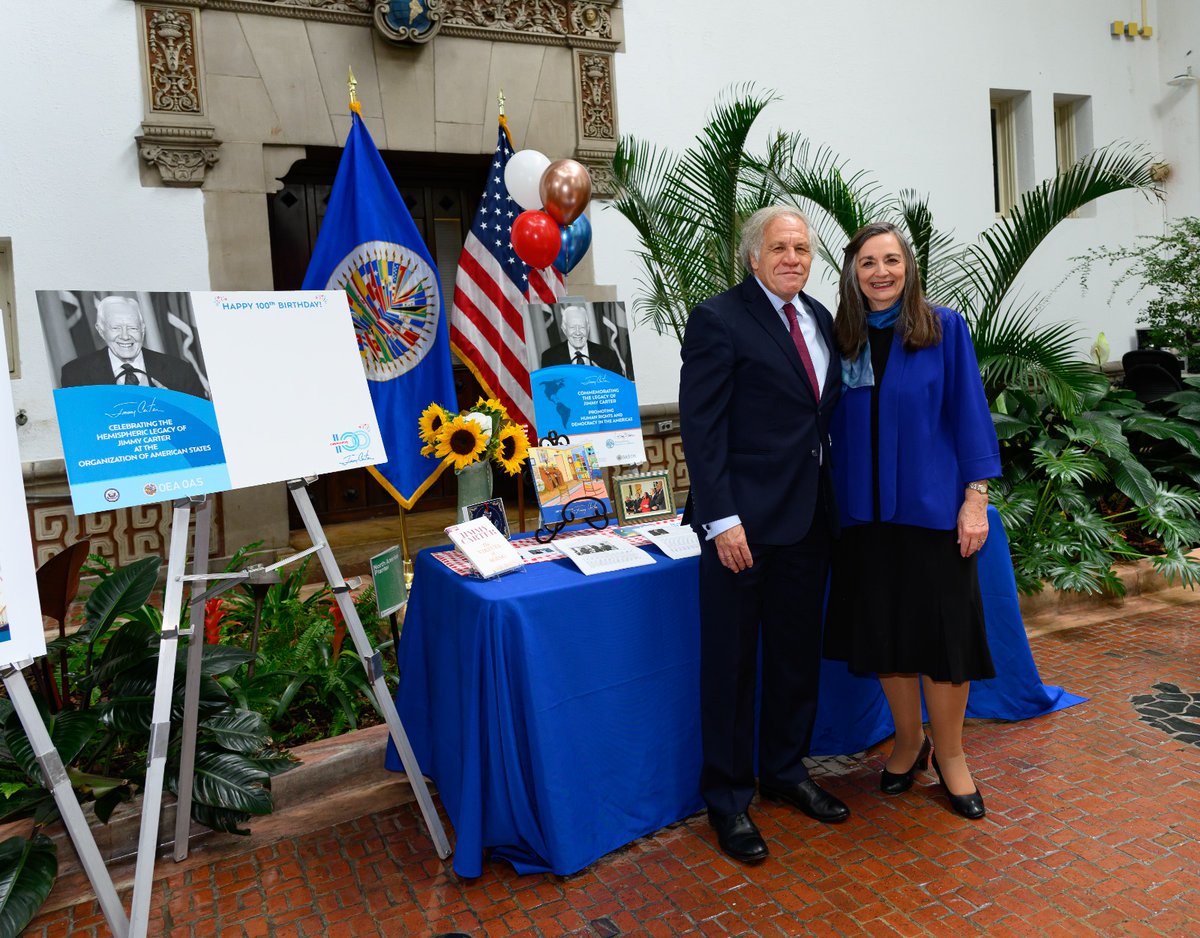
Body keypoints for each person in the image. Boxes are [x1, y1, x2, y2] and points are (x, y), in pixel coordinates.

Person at [679, 205, 846, 864]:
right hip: (740, 531)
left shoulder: (821, 319)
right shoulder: (719, 318)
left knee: (794, 657)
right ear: (754, 256)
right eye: (780, 247)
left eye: (802, 248)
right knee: (731, 665)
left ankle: (784, 772)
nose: (793, 258)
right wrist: (722, 519)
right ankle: (726, 799)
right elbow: (703, 427)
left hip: (808, 523)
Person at [823, 221, 1000, 821]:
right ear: (853, 271)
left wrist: (974, 499)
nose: (880, 272)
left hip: (932, 515)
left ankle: (951, 756)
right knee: (886, 638)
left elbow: (971, 414)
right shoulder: (840, 337)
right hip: (864, 518)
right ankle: (906, 742)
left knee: (943, 643)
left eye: (890, 260)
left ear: (908, 266)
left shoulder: (942, 328)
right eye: (868, 262)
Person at [60, 296, 207, 397]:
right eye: (116, 328)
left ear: (143, 329)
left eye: (133, 328)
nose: (125, 336)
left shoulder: (181, 371)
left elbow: (202, 426)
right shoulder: (75, 375)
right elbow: (76, 430)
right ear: (101, 330)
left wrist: (177, 407)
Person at [540, 304, 625, 376]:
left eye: (582, 327)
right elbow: (548, 392)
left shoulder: (608, 355)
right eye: (572, 327)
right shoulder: (549, 358)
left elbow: (620, 389)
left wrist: (605, 379)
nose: (578, 333)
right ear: (564, 329)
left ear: (588, 328)